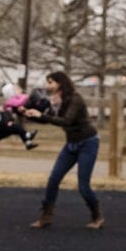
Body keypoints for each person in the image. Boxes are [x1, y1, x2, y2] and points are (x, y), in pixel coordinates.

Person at [25, 70, 104, 229]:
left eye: (50, 82)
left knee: (83, 185)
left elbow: (66, 121)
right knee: (53, 179)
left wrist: (41, 115)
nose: (48, 86)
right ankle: (46, 216)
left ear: (60, 83)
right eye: (47, 82)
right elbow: (49, 120)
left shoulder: (76, 99)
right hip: (71, 144)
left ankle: (97, 215)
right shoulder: (55, 100)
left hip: (87, 143)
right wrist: (31, 115)